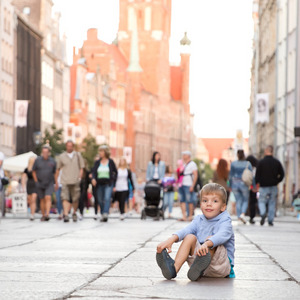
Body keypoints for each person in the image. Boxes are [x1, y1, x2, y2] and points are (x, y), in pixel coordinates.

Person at [156, 183, 235, 281]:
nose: (208, 204)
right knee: (189, 236)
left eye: (215, 201)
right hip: (202, 264)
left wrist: (207, 243)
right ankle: (173, 269)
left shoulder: (225, 219)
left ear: (223, 207)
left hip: (221, 267)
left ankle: (201, 262)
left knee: (211, 239)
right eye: (205, 200)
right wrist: (170, 240)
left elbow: (223, 234)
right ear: (200, 204)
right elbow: (186, 230)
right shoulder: (199, 219)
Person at [255, 145, 285, 226]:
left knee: (261, 201)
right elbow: (282, 174)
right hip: (273, 186)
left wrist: (257, 183)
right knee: (272, 203)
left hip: (263, 186)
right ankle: (270, 220)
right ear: (272, 151)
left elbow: (257, 175)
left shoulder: (261, 162)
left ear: (266, 151)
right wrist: (277, 181)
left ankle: (263, 212)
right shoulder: (277, 162)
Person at [56, 140, 84, 223]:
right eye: (68, 146)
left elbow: (82, 168)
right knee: (65, 198)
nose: (69, 147)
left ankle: (74, 212)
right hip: (65, 180)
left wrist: (79, 177)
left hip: (75, 180)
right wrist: (57, 181)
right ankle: (66, 214)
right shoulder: (62, 156)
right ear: (66, 146)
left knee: (75, 199)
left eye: (71, 146)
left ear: (73, 146)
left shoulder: (78, 155)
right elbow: (58, 169)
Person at [92, 145, 117, 222]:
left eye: (102, 151)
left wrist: (114, 183)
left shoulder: (111, 162)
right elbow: (94, 172)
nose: (100, 153)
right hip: (99, 183)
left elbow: (115, 172)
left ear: (105, 152)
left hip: (108, 183)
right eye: (99, 151)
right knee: (99, 199)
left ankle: (105, 213)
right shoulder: (97, 162)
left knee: (107, 198)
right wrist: (93, 179)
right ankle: (102, 213)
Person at [32, 146, 56, 221]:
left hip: (49, 182)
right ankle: (43, 215)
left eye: (46, 152)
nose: (45, 153)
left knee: (48, 197)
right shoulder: (38, 160)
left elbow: (55, 172)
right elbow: (33, 171)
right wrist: (36, 181)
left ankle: (47, 214)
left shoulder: (53, 161)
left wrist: (56, 182)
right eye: (43, 152)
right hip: (40, 182)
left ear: (49, 152)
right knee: (42, 199)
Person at [229, 149, 252, 224]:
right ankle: (242, 214)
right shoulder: (248, 164)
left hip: (235, 184)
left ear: (237, 155)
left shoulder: (233, 164)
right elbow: (251, 176)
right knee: (245, 200)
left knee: (238, 201)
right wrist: (253, 185)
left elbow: (230, 176)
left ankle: (239, 218)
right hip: (244, 184)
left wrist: (230, 185)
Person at [179, 150, 198, 222]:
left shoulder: (192, 164)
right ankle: (184, 216)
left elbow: (195, 175)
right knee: (182, 200)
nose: (183, 156)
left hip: (188, 184)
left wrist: (192, 185)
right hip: (182, 184)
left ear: (188, 156)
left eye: (184, 155)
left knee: (190, 201)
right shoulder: (183, 164)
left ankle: (190, 216)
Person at [22, 157, 38, 221]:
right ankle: (31, 213)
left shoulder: (37, 168)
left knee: (34, 199)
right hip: (29, 184)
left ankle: (32, 214)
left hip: (35, 184)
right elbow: (23, 177)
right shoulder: (27, 169)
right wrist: (23, 186)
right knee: (30, 200)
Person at [246, 155, 258, 224]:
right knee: (253, 202)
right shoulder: (256, 168)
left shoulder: (246, 167)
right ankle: (252, 216)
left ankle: (246, 213)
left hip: (246, 186)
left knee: (247, 201)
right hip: (253, 187)